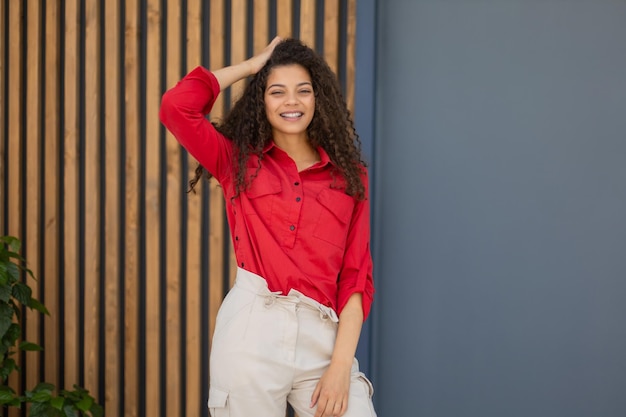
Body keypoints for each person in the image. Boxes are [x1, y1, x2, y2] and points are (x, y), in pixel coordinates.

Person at [159, 37, 376, 417]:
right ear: (261, 101)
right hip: (252, 331)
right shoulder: (236, 161)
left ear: (317, 98)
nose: (291, 102)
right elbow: (176, 107)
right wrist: (249, 67)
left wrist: (341, 366)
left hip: (323, 340)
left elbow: (356, 278)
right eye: (277, 92)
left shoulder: (351, 178)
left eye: (303, 91)